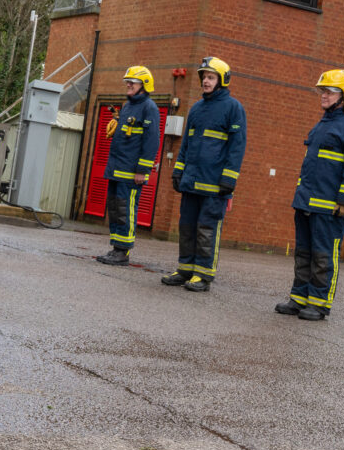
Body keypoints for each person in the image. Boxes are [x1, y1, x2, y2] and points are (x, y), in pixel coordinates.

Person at [275, 69, 344, 321]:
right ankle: (299, 298)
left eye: (329, 91)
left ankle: (319, 303)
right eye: (322, 91)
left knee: (324, 256)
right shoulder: (320, 127)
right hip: (306, 203)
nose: (323, 95)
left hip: (328, 207)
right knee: (304, 253)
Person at [163, 57, 246, 292]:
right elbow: (187, 145)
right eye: (204, 77)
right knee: (187, 226)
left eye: (211, 77)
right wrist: (178, 172)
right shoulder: (197, 108)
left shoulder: (233, 108)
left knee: (206, 229)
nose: (206, 81)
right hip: (191, 182)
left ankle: (203, 274)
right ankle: (185, 269)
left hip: (214, 184)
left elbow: (236, 147)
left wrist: (229, 179)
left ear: (223, 80)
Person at [96, 65, 160, 266]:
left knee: (126, 209)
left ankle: (123, 251)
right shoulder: (127, 106)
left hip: (131, 171)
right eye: (127, 81)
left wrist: (143, 170)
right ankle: (116, 247)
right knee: (115, 208)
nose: (128, 84)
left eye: (132, 82)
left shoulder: (149, 107)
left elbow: (151, 141)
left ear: (144, 85)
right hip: (116, 168)